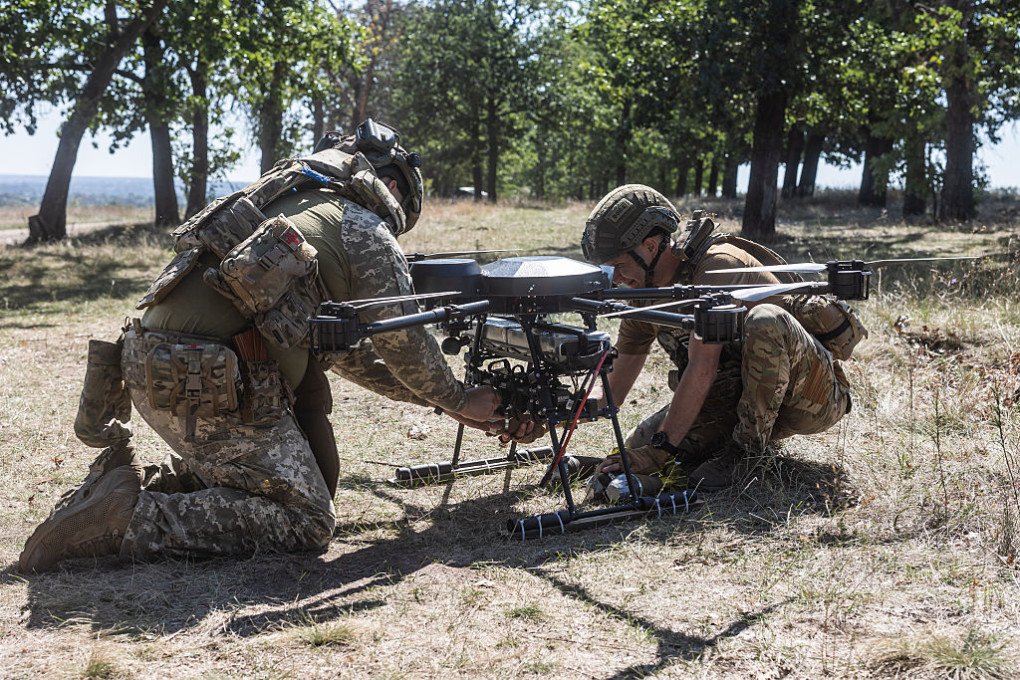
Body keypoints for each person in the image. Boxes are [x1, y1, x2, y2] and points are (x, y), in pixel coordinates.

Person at [19, 119, 501, 572]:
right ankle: (126, 519)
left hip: (161, 367)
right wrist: (457, 398)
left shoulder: (287, 203)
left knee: (272, 479)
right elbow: (403, 340)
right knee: (307, 520)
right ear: (394, 189)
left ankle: (122, 492)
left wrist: (445, 404)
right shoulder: (364, 230)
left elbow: (354, 355)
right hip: (205, 380)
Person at [580, 184, 859, 491]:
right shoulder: (642, 294)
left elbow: (703, 366)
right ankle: (717, 450)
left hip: (811, 397)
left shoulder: (716, 268)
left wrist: (660, 451)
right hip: (732, 400)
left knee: (766, 319)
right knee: (627, 454)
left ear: (649, 246)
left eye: (619, 266)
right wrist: (553, 412)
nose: (617, 279)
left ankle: (745, 455)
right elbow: (612, 389)